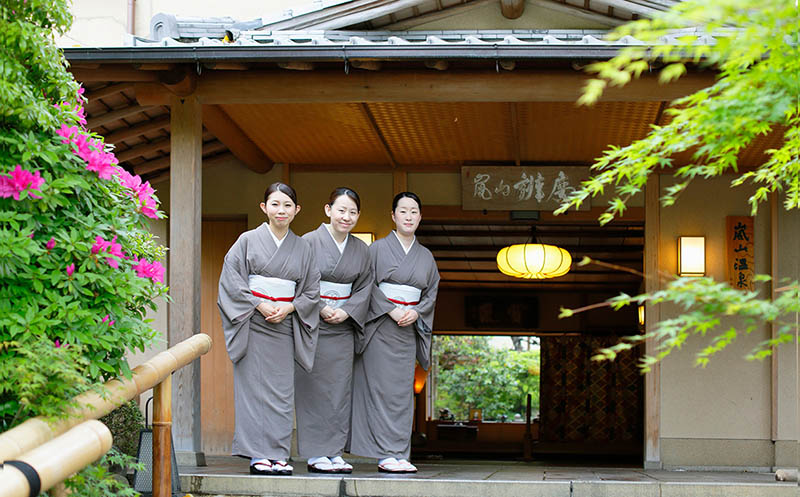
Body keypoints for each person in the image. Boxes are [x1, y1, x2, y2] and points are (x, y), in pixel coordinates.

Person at [217, 182, 320, 476]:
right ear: (264, 208)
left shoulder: (303, 248)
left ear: (297, 210)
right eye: (275, 204)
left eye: (288, 205)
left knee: (282, 392)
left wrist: (289, 307)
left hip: (285, 326)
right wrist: (259, 305)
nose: (281, 210)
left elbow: (312, 291)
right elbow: (231, 281)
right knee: (252, 391)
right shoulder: (247, 240)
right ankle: (257, 455)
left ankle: (278, 453)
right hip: (252, 323)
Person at [349, 191, 440, 473]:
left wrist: (417, 311)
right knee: (379, 391)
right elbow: (366, 285)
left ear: (420, 217)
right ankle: (383, 453)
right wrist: (390, 309)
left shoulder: (426, 257)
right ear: (393, 216)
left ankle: (400, 452)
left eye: (414, 211)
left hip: (407, 331)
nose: (409, 216)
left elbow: (431, 292)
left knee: (402, 393)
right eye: (403, 211)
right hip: (380, 328)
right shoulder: (375, 250)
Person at [295, 187, 373, 474]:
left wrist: (347, 310)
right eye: (341, 210)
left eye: (352, 212)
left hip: (343, 326)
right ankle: (316, 453)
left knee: (340, 390)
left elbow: (365, 287)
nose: (346, 217)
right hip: (313, 325)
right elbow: (299, 280)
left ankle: (334, 451)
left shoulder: (361, 250)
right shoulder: (308, 242)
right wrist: (319, 306)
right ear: (328, 210)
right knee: (313, 388)